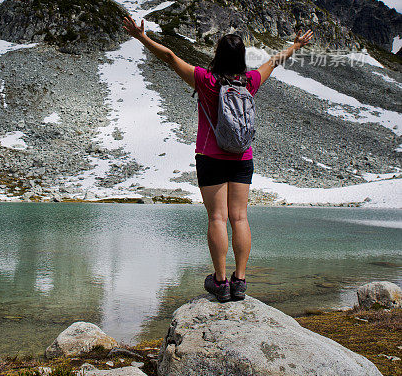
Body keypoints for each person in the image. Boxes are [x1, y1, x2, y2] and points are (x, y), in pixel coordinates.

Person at [122, 15, 313, 302]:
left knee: (217, 217)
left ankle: (221, 282)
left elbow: (170, 57)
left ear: (218, 55)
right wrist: (296, 45)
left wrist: (141, 37)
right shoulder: (250, 81)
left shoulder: (205, 79)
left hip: (210, 156)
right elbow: (274, 61)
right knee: (239, 217)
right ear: (241, 58)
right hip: (242, 156)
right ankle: (240, 281)